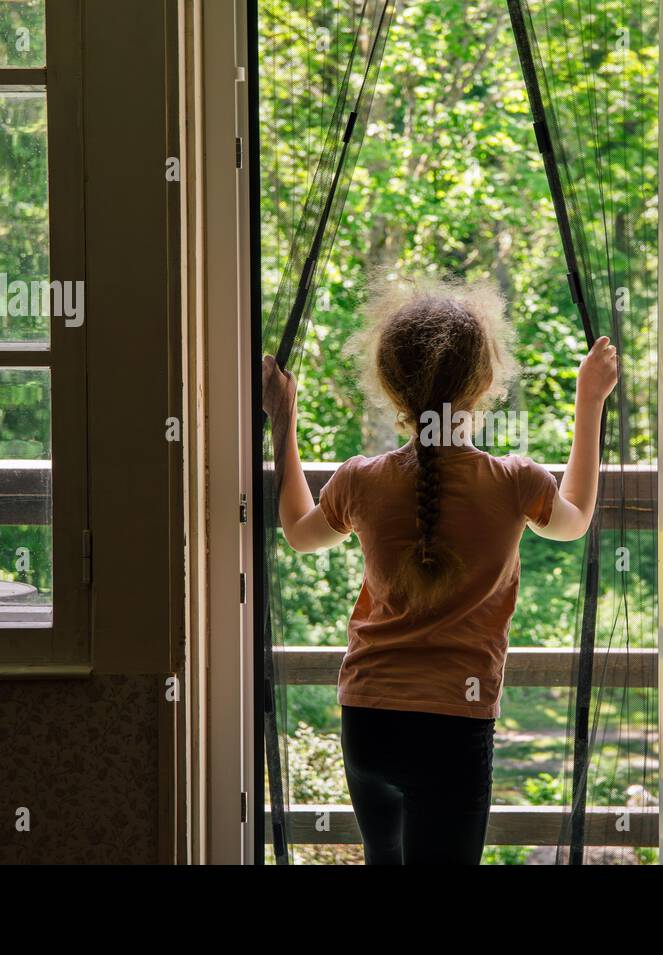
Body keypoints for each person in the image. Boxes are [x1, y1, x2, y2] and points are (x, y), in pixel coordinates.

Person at [261, 276, 618, 865]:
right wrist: (590, 401)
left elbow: (300, 533)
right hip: (454, 720)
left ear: (389, 383)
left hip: (367, 714)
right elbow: (574, 520)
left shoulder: (361, 478)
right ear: (483, 383)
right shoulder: (514, 481)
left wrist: (284, 418)